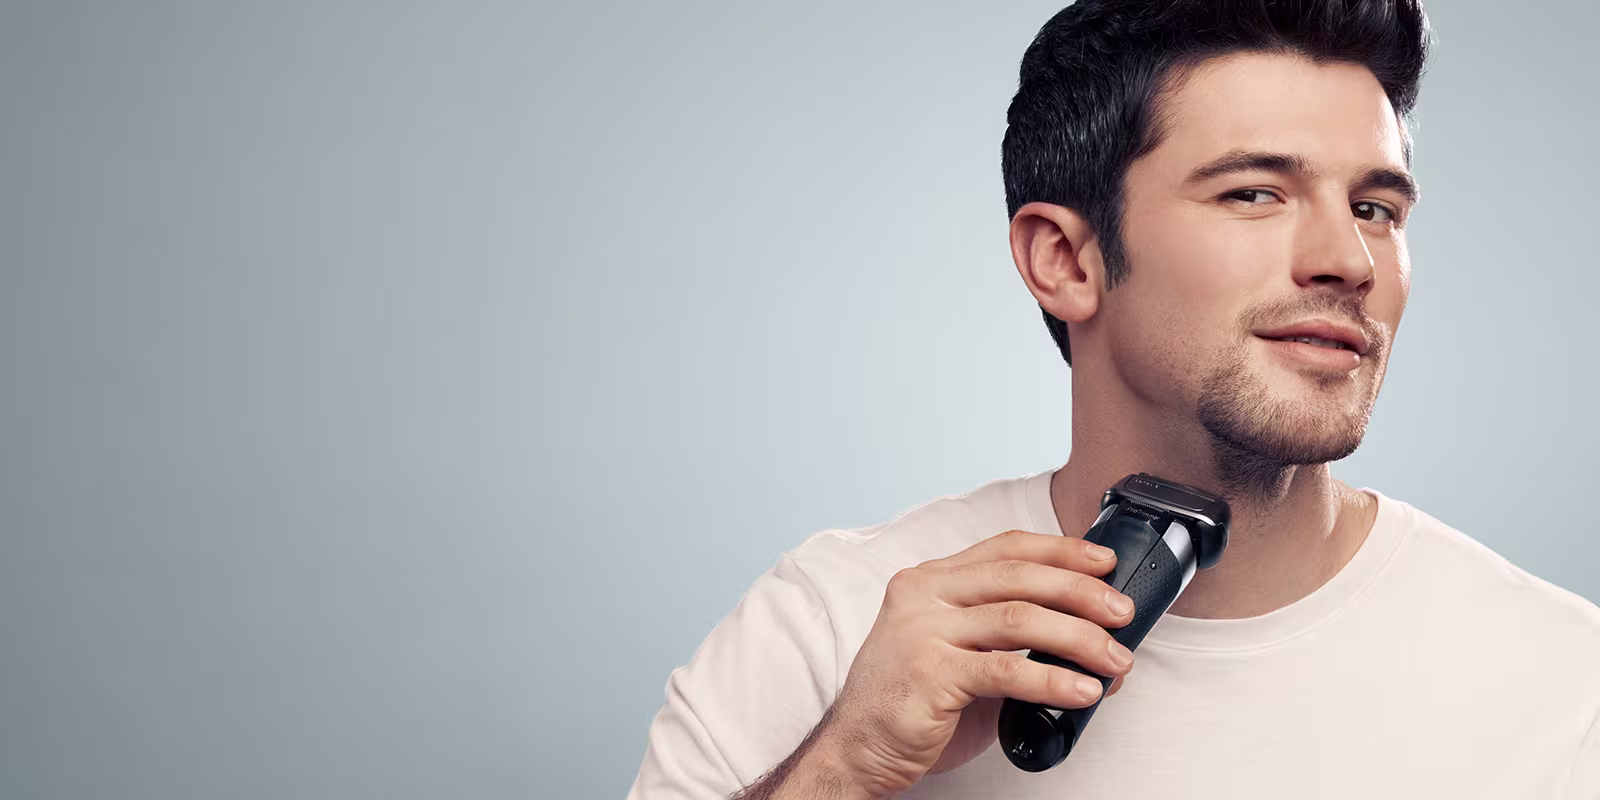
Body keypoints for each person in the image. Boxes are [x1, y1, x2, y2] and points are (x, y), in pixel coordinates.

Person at [626, 0, 1600, 797]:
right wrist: (842, 766)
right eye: (1255, 193)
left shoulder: (1563, 685)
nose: (1347, 259)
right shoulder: (829, 628)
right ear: (1066, 259)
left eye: (1375, 208)